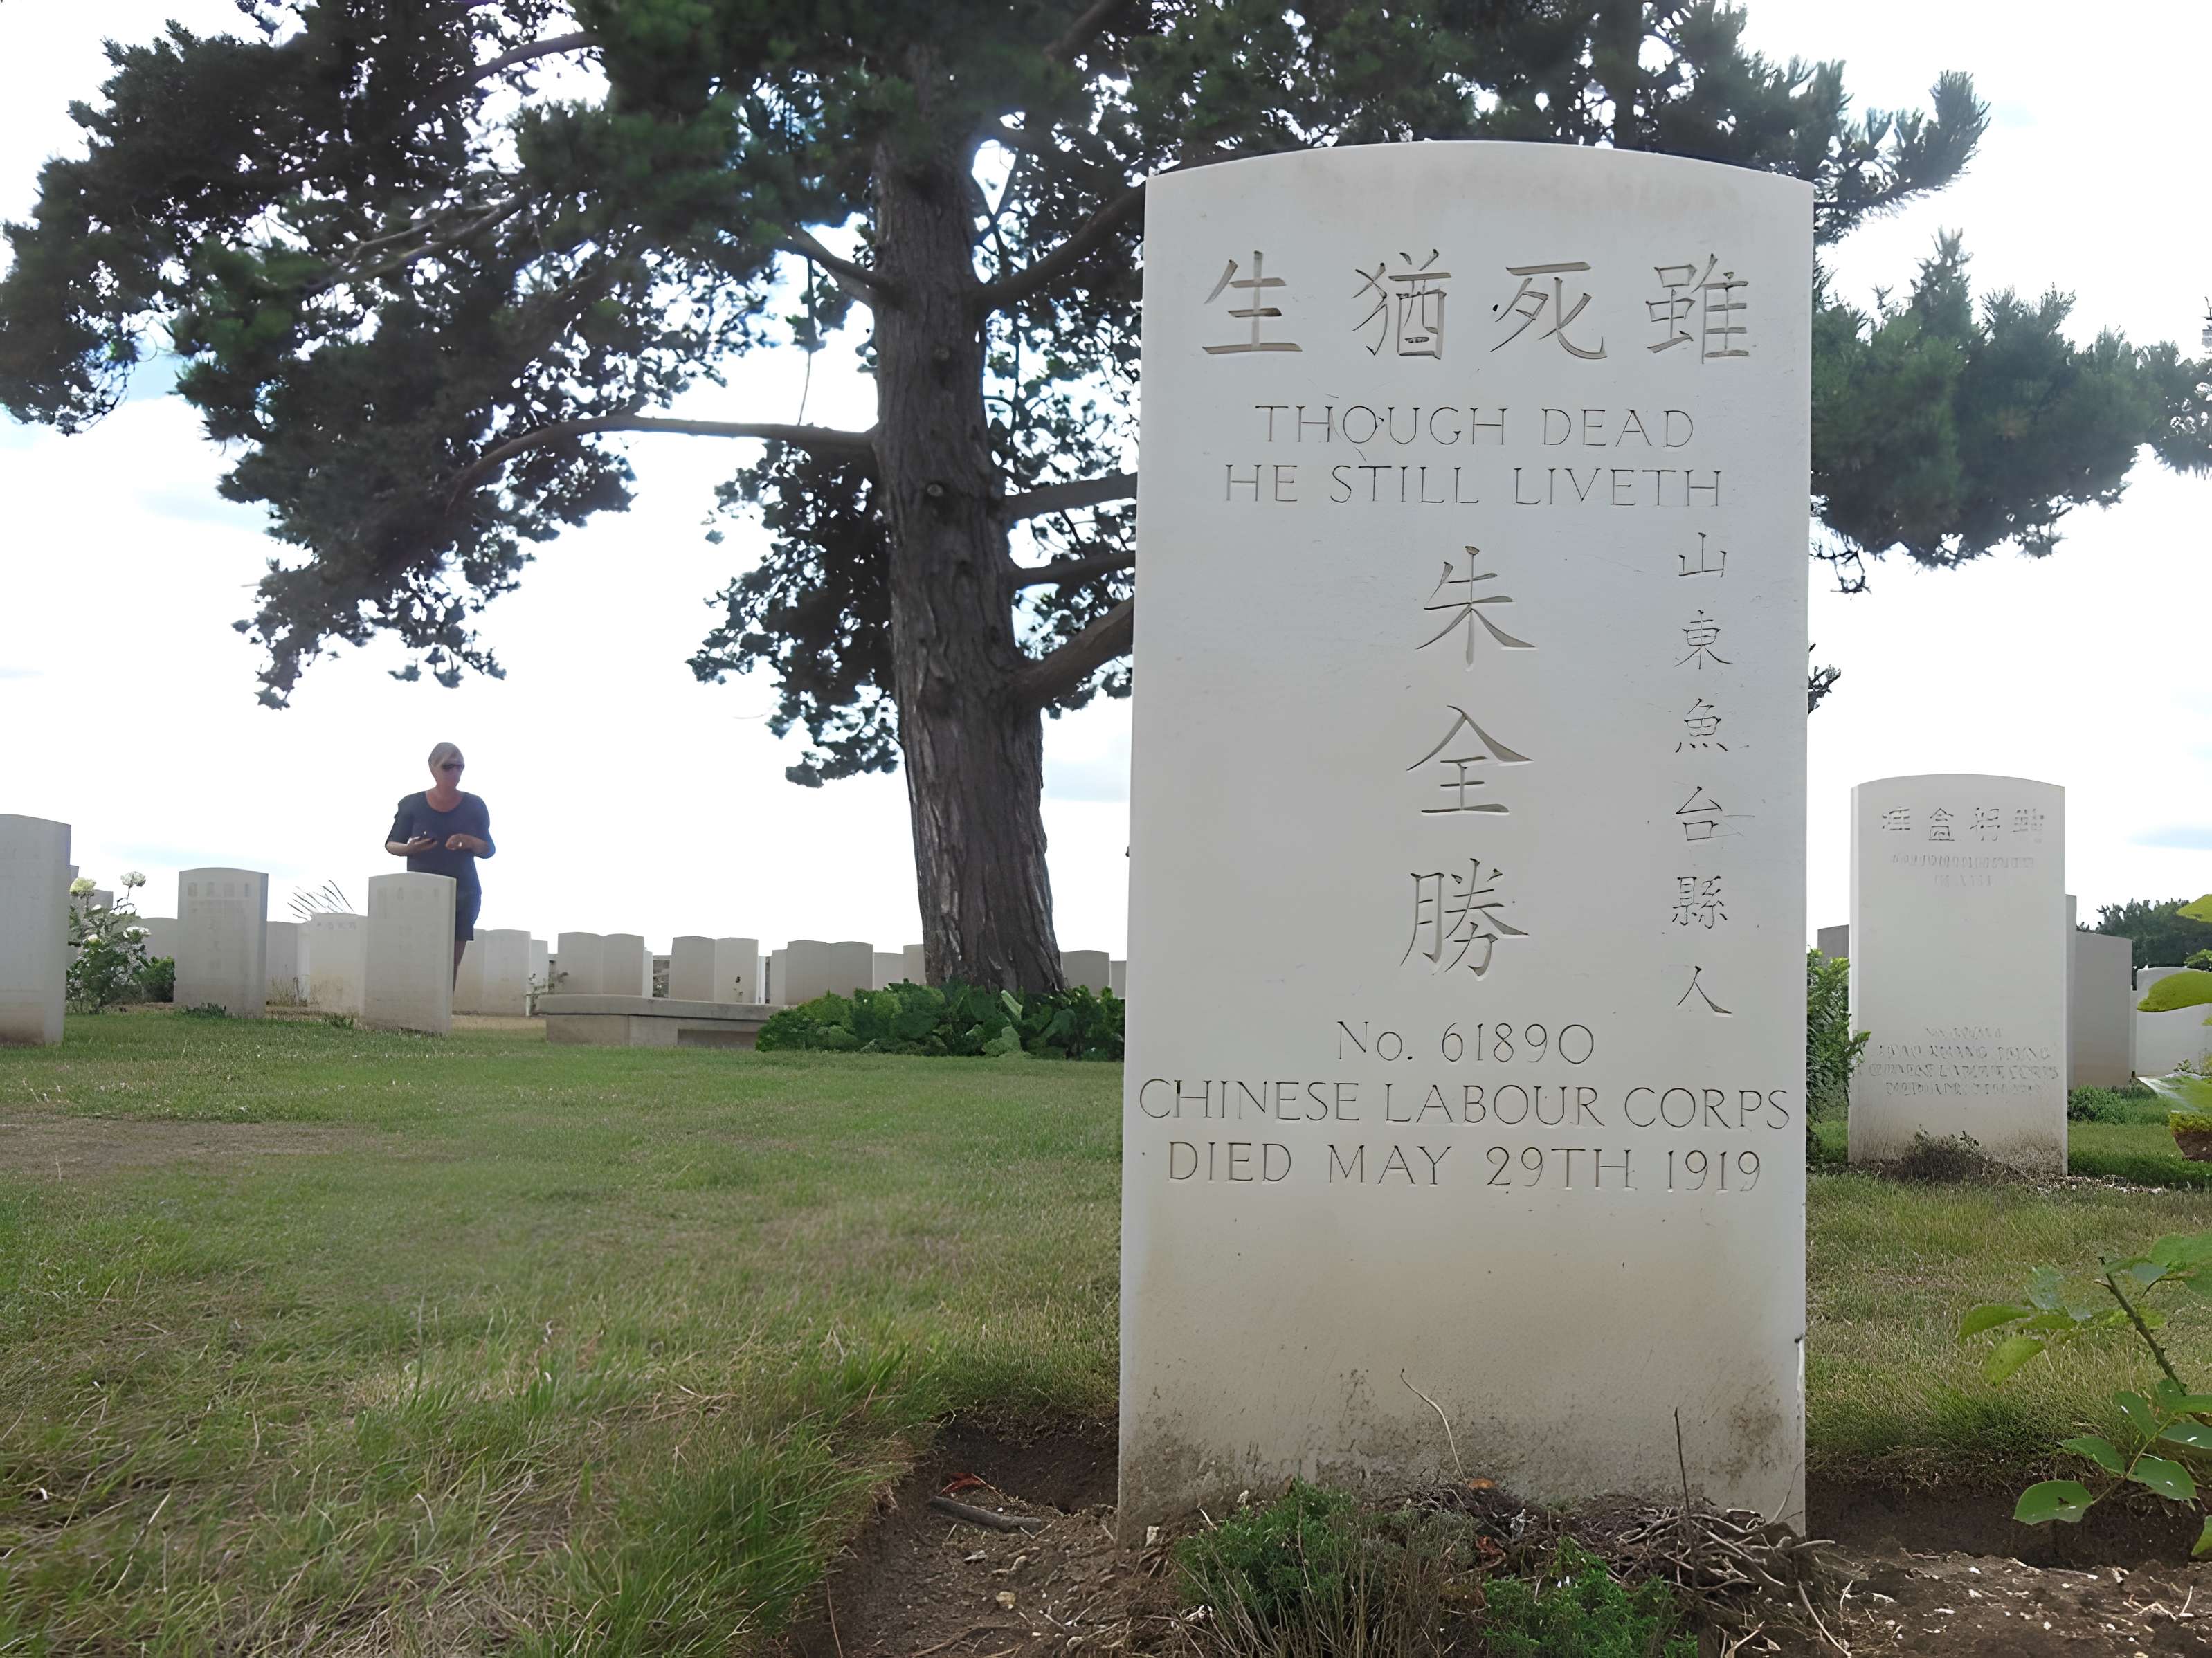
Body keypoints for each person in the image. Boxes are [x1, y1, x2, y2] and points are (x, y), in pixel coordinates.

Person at [384, 742, 495, 983]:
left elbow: (489, 849)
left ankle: (444, 1005)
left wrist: (468, 841)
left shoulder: (475, 805)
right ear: (433, 768)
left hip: (463, 891)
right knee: (419, 955)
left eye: (459, 767)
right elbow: (391, 844)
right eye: (448, 767)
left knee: (450, 963)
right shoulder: (411, 804)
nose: (454, 772)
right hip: (421, 891)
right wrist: (410, 848)